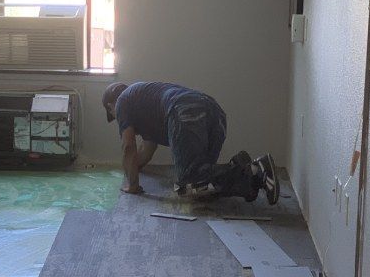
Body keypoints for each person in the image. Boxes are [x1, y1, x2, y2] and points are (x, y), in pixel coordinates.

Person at [102, 80, 279, 204]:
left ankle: (255, 169)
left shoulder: (122, 102)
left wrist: (132, 185)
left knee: (187, 185)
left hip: (186, 112)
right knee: (203, 186)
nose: (118, 119)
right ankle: (249, 176)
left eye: (114, 116)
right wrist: (134, 168)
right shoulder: (142, 100)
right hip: (214, 112)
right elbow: (146, 150)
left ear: (111, 106)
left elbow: (128, 146)